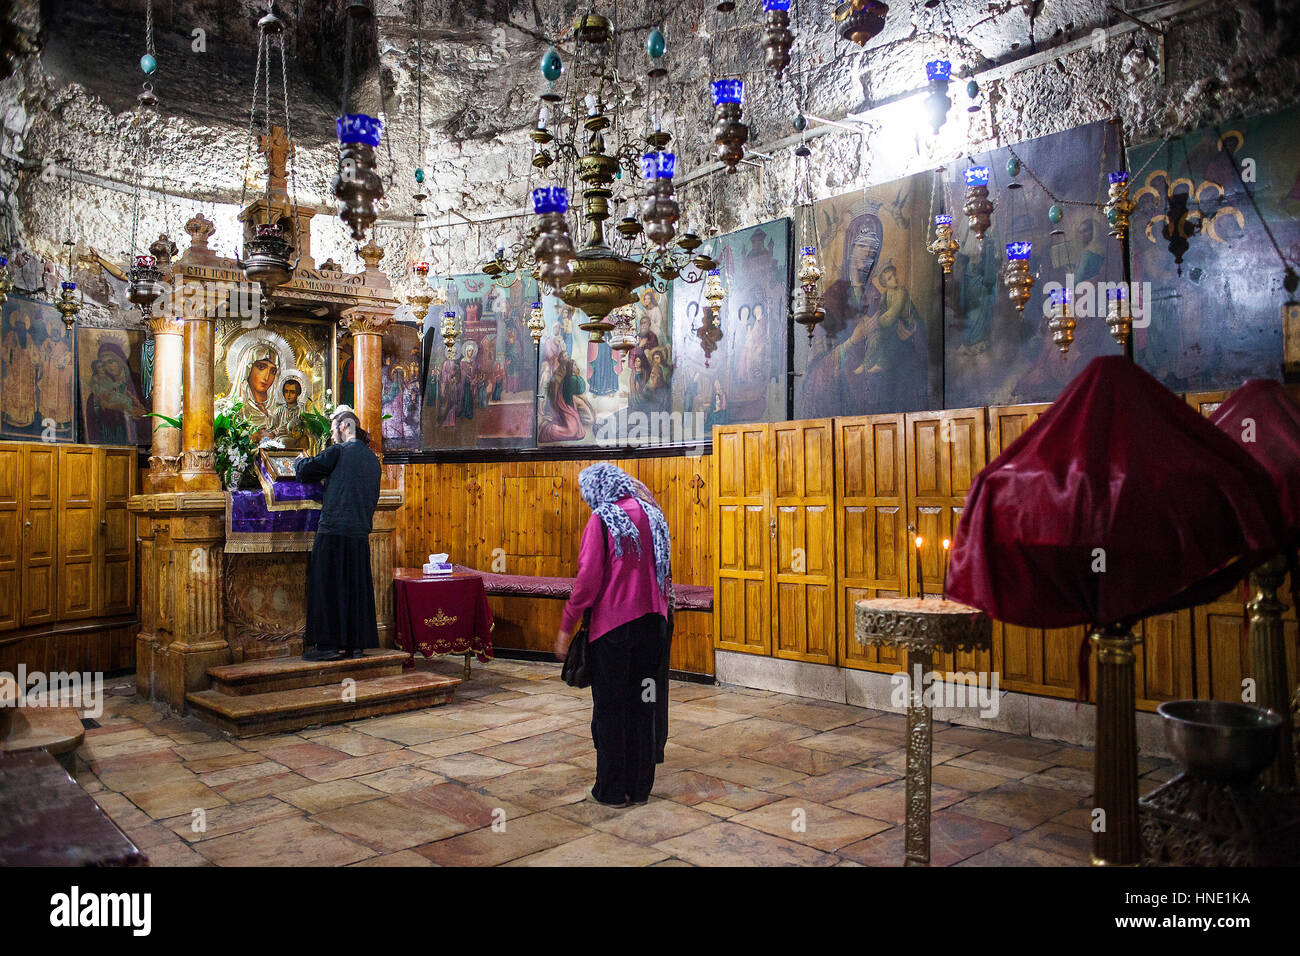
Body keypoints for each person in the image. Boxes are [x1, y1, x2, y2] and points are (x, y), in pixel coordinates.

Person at [555, 463, 672, 808]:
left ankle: (611, 790)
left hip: (614, 632)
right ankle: (640, 788)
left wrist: (567, 625)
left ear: (597, 489)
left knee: (610, 708)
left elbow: (588, 581)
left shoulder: (602, 520)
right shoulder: (654, 515)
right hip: (654, 629)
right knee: (644, 704)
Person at [294, 406, 382, 661]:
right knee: (355, 589)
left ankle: (327, 646)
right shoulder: (371, 459)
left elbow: (306, 470)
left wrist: (298, 460)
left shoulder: (339, 451)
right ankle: (355, 646)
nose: (332, 435)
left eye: (333, 430)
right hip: (359, 534)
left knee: (327, 587)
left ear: (345, 427)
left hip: (333, 531)